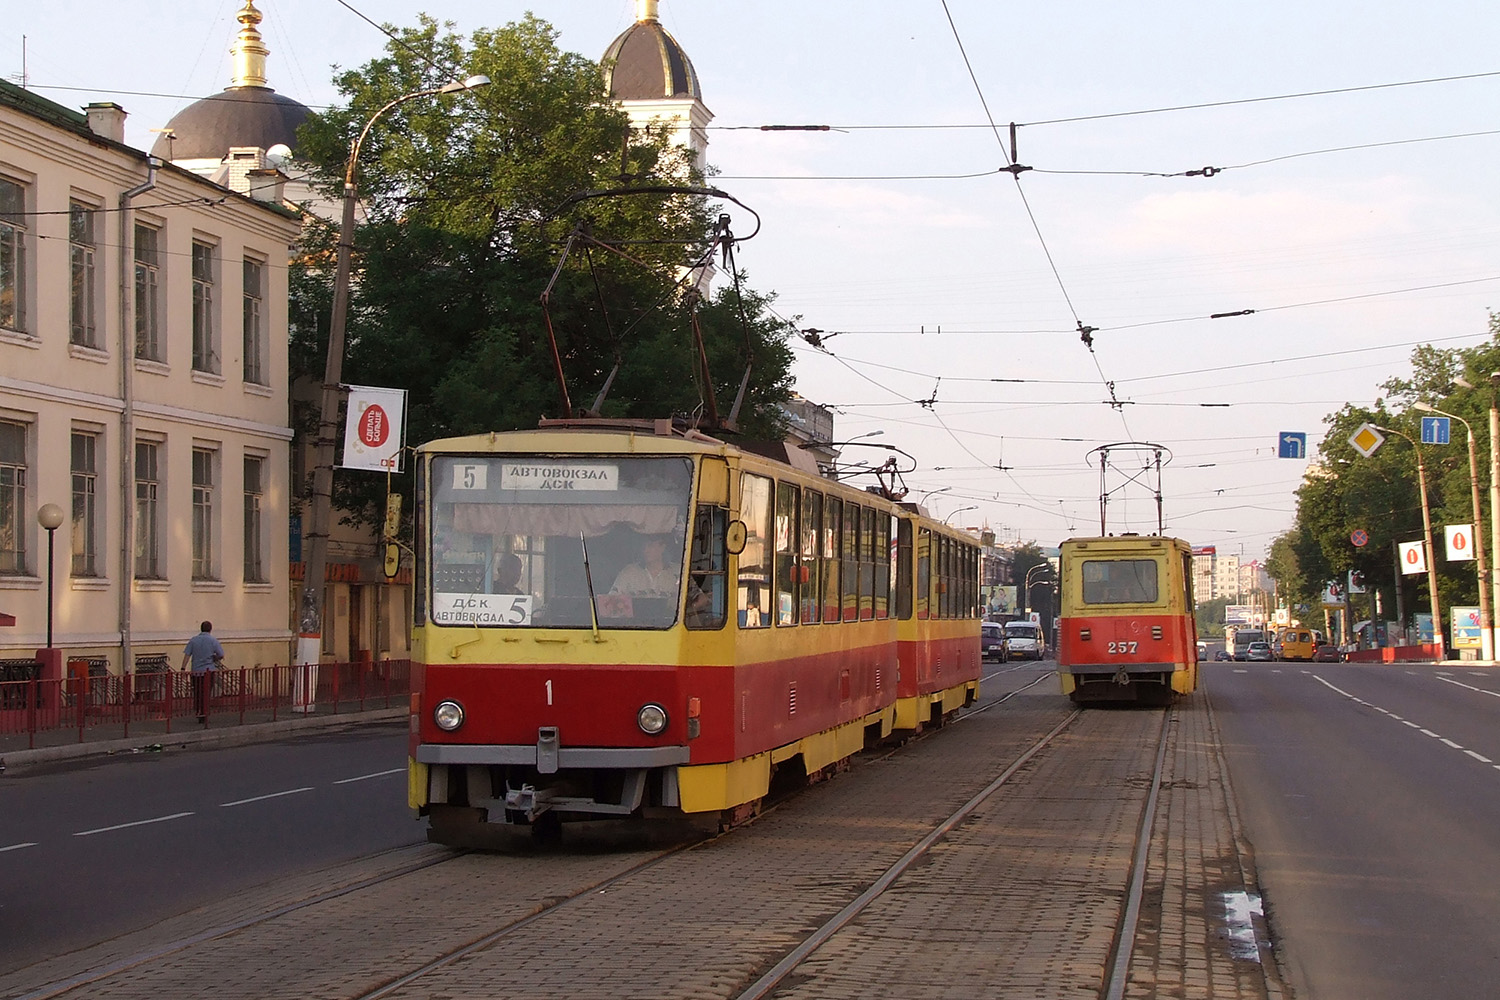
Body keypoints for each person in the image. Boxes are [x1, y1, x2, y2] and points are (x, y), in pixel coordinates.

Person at [181, 620, 225, 723]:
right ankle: (205, 713)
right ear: (210, 629)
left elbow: (187, 655)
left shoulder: (193, 640)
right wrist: (214, 658)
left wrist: (183, 668)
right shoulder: (213, 640)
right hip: (208, 672)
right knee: (206, 693)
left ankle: (199, 711)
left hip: (196, 672)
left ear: (201, 629)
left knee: (197, 693)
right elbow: (221, 654)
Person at [611, 534, 678, 597]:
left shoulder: (677, 572)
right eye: (643, 546)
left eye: (650, 545)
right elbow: (611, 600)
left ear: (662, 547)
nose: (645, 550)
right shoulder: (629, 572)